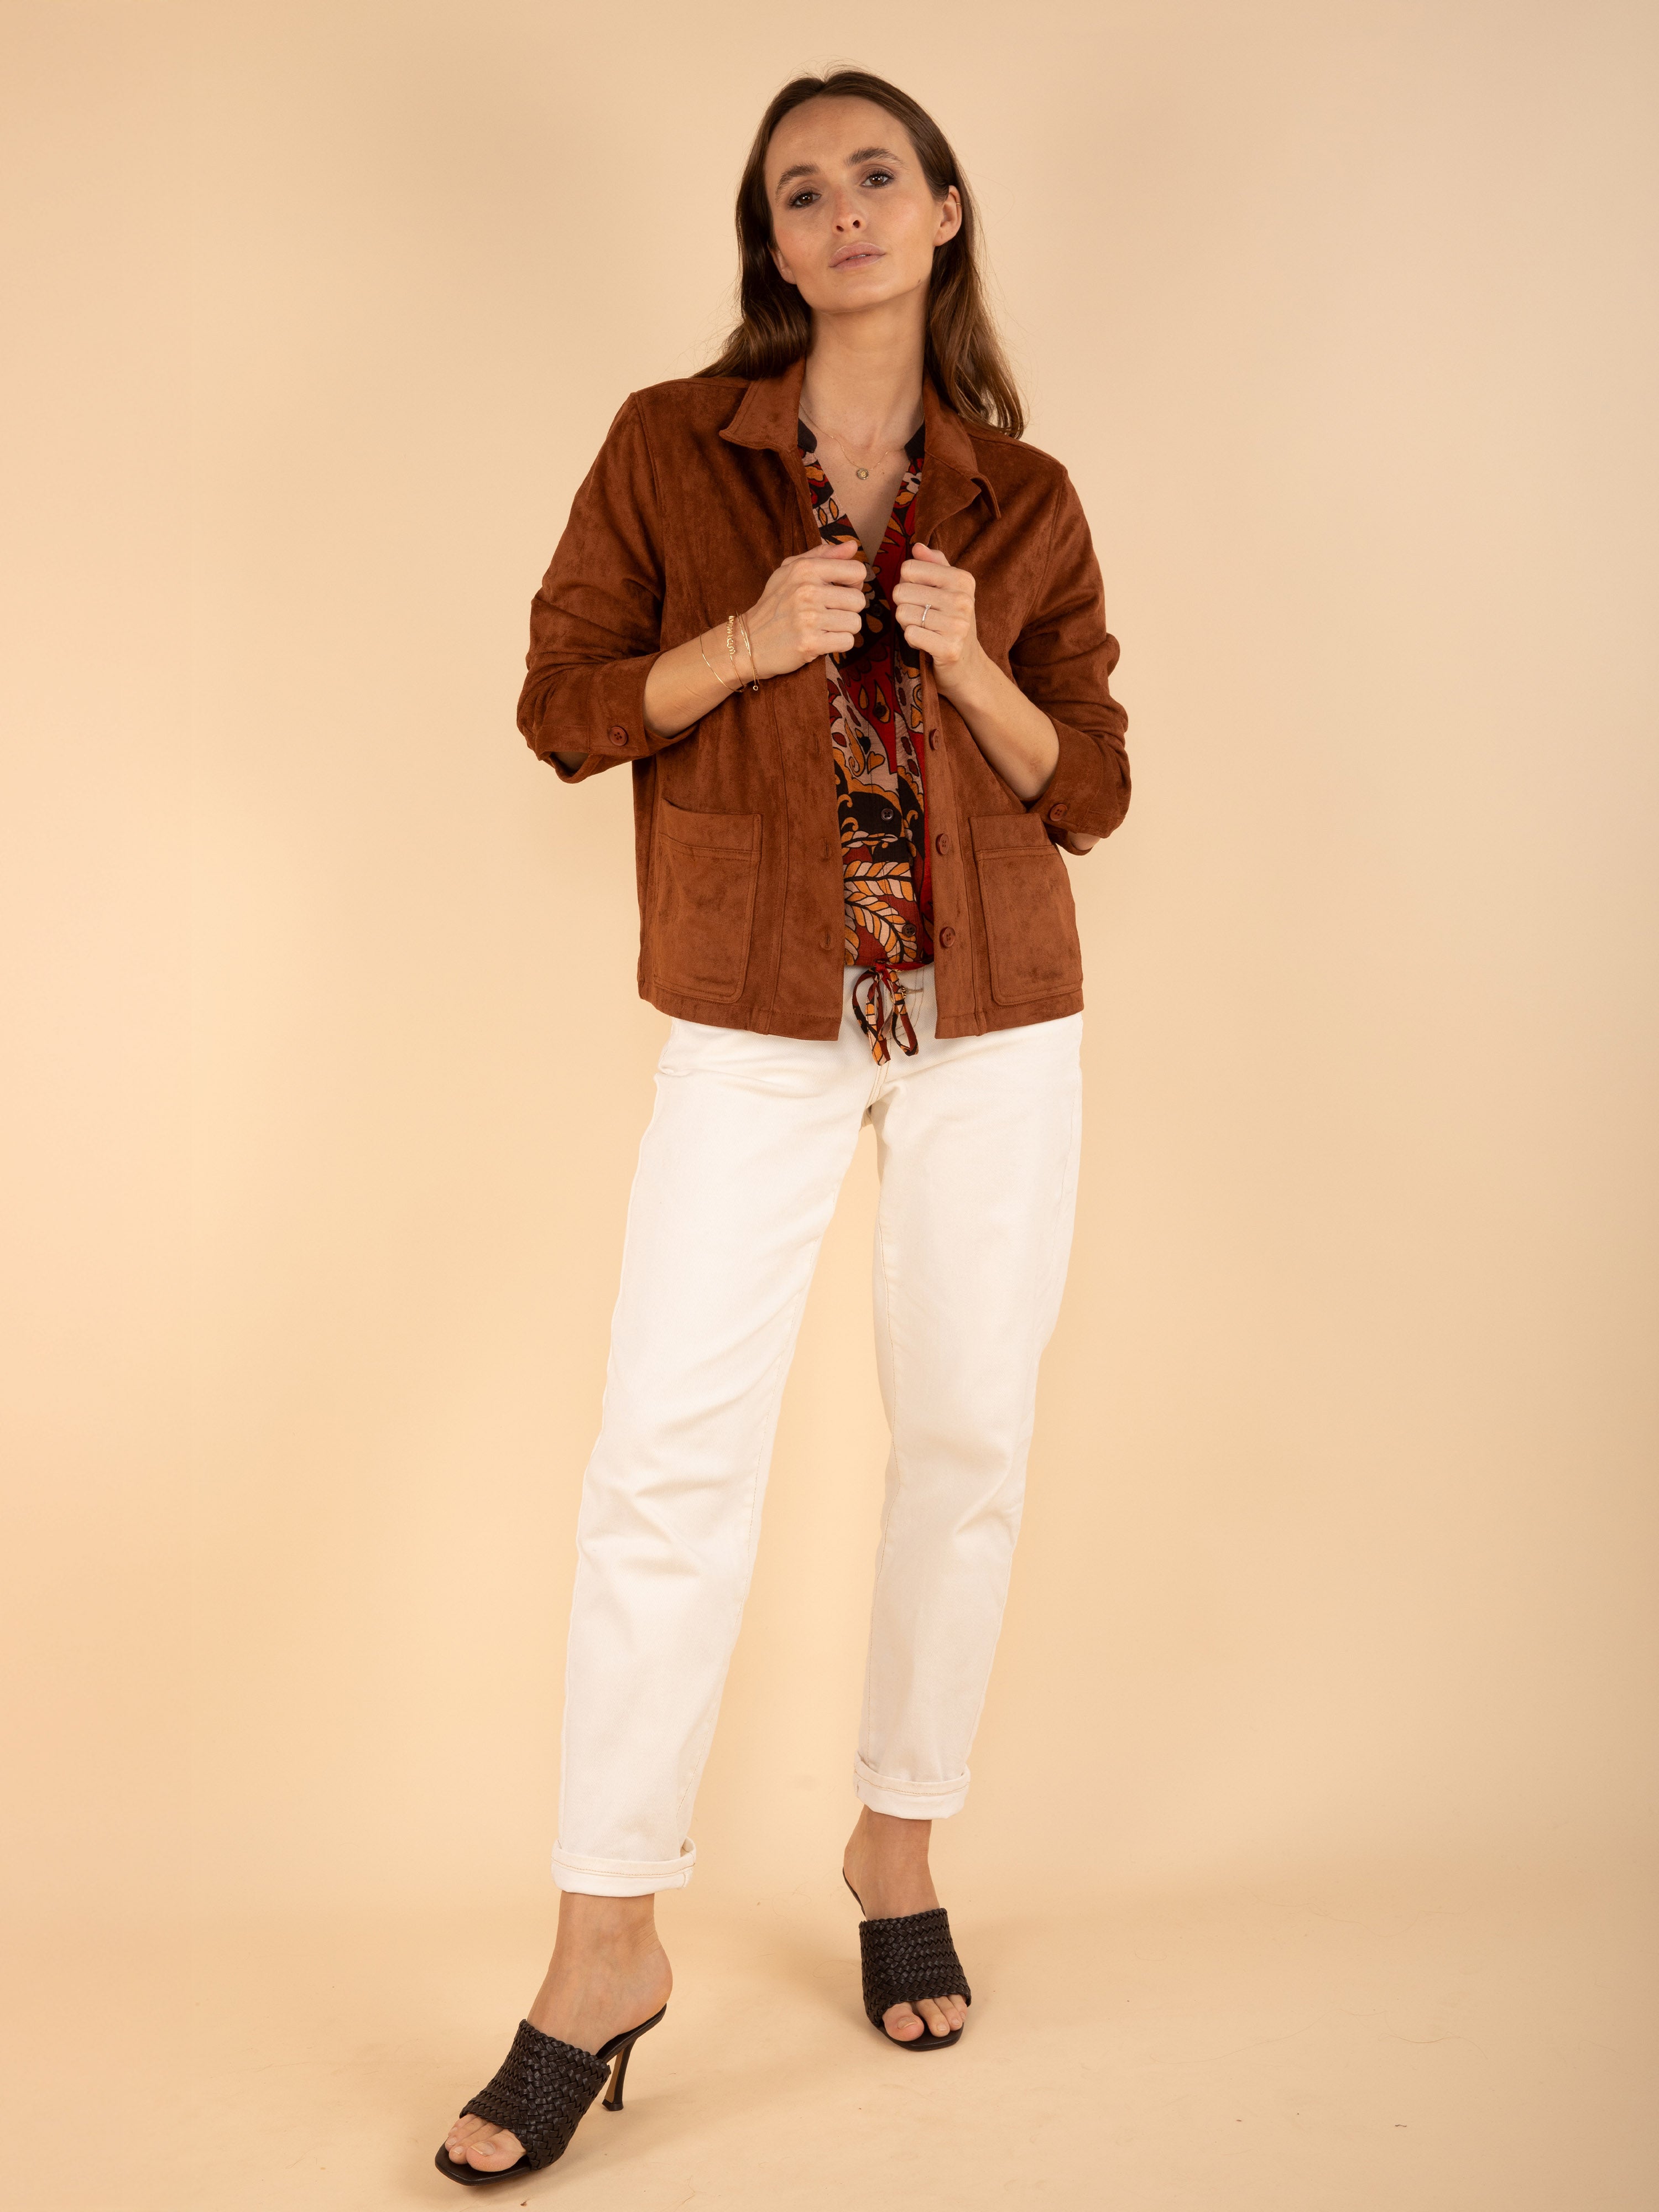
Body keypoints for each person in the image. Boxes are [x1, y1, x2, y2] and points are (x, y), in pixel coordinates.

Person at [436, 66, 1130, 2185]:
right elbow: (563, 703)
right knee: (667, 1456)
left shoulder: (1023, 494)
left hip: (993, 1022)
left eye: (876, 176)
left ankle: (896, 1846)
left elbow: (1092, 784)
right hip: (755, 1009)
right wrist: (740, 642)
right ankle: (604, 1946)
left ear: (945, 210)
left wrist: (978, 665)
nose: (842, 211)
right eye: (799, 190)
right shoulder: (673, 446)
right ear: (773, 239)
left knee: (969, 1439)